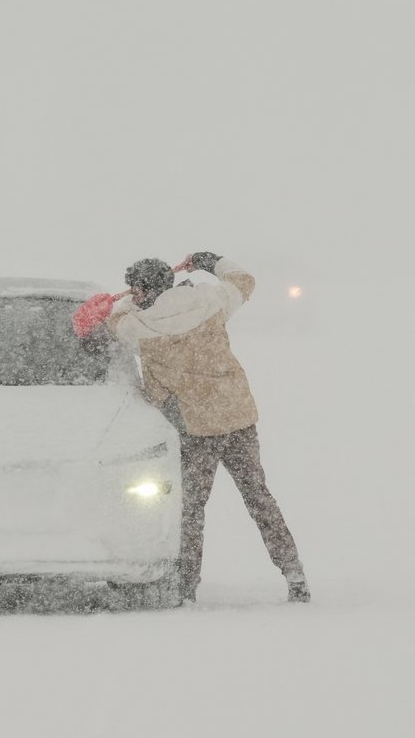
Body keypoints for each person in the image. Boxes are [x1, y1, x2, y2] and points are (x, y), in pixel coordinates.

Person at [73, 252, 310, 603]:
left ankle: (186, 588)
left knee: (190, 510)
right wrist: (211, 262)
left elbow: (103, 325)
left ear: (143, 290)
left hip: (196, 428)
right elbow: (244, 280)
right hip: (238, 417)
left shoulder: (140, 327)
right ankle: (294, 575)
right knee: (259, 498)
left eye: (136, 290)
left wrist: (118, 301)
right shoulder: (211, 300)